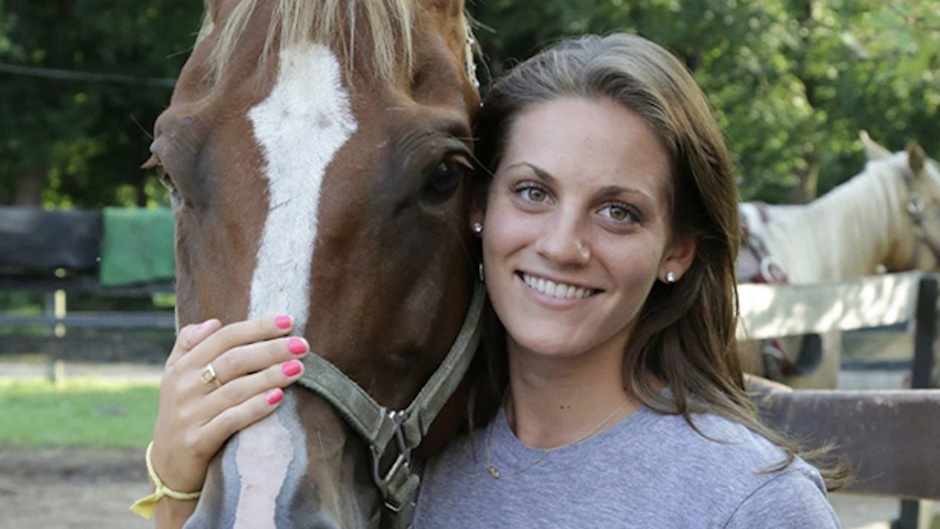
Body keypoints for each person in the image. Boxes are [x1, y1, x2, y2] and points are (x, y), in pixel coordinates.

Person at [140, 33, 843, 528]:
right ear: (479, 206)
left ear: (678, 250)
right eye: (534, 193)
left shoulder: (751, 503)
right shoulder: (396, 477)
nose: (563, 246)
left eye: (619, 211)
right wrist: (176, 488)